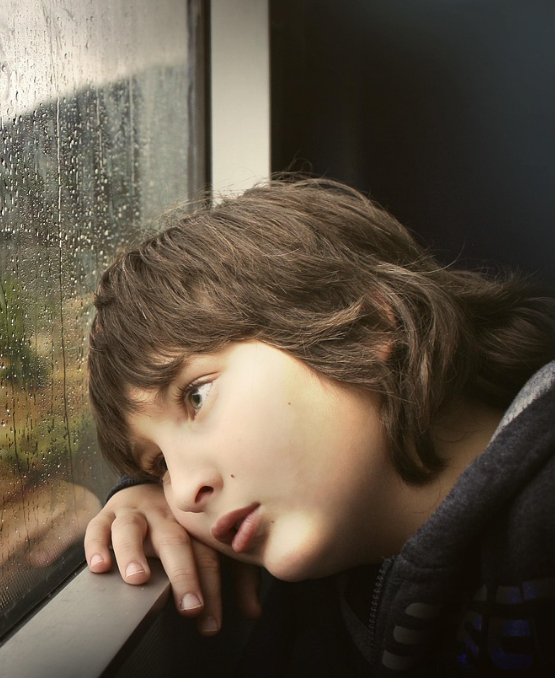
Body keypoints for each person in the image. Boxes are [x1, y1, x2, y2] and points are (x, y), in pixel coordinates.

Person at [82, 178, 555, 675]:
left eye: (196, 397)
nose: (182, 494)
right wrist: (137, 496)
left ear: (366, 322)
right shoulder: (329, 593)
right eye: (159, 464)